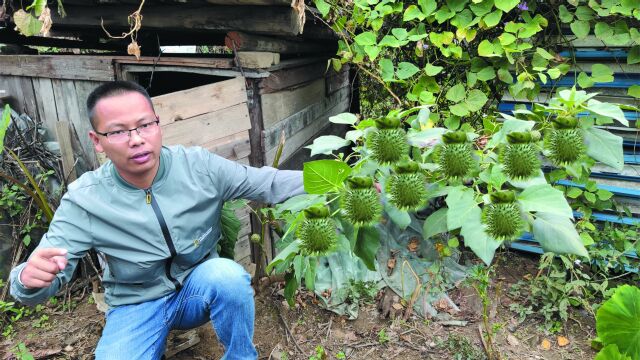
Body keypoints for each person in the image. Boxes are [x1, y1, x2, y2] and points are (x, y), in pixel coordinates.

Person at [9, 80, 304, 359]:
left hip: (196, 289)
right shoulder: (85, 200)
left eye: (145, 125)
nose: (136, 140)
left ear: (158, 124)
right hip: (135, 304)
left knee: (227, 277)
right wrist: (27, 281)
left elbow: (268, 183)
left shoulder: (198, 167)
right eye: (118, 131)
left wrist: (337, 181)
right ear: (97, 141)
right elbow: (44, 276)